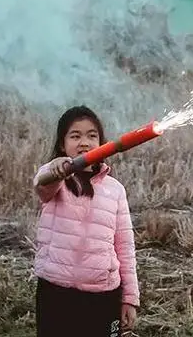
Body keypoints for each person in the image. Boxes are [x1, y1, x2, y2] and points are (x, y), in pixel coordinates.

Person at [33, 105, 140, 336]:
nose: (84, 142)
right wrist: (57, 169)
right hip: (56, 292)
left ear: (102, 142)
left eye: (92, 136)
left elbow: (125, 248)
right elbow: (42, 185)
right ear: (62, 144)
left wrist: (129, 299)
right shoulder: (54, 179)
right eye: (75, 136)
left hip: (103, 295)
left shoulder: (115, 190)